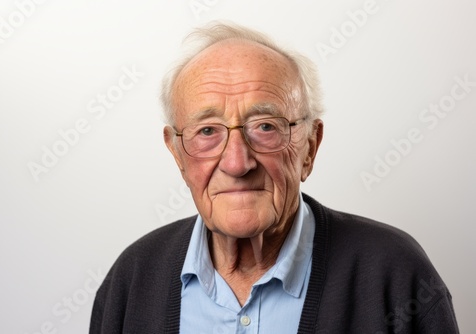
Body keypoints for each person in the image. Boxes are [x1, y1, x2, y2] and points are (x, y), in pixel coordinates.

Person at [89, 22, 459, 333]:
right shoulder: (133, 278)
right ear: (177, 153)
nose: (237, 163)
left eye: (265, 127)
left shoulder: (395, 275)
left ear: (309, 147)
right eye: (207, 131)